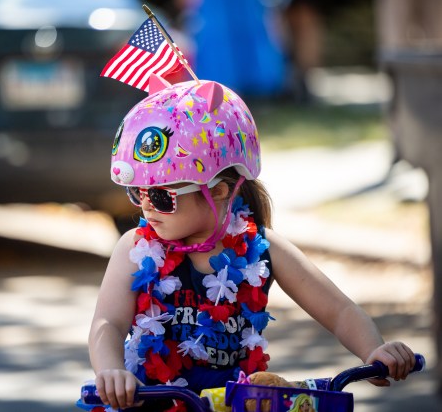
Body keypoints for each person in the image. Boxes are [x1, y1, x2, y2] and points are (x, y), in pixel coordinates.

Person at [87, 75, 416, 411]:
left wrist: (373, 349)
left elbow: (340, 310)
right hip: (151, 403)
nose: (146, 207)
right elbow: (107, 323)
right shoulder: (134, 248)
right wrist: (112, 370)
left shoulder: (262, 247)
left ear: (218, 190)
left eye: (161, 195)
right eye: (137, 193)